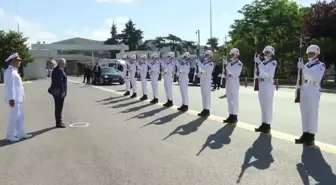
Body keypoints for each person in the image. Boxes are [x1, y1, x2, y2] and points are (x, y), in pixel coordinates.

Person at [295, 44, 325, 145]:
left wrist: (303, 68)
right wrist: (298, 89)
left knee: (312, 112)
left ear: (317, 54)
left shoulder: (320, 65)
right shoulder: (305, 65)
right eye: (309, 53)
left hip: (313, 88)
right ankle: (305, 133)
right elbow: (300, 78)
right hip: (304, 88)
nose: (310, 55)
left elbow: (316, 77)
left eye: (312, 53)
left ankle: (311, 136)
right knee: (304, 112)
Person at [3, 53, 32, 142]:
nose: (19, 62)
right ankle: (10, 135)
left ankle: (21, 133)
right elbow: (10, 86)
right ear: (13, 61)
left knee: (20, 117)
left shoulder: (14, 71)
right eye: (18, 61)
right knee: (14, 117)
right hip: (14, 100)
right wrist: (11, 99)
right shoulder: (10, 72)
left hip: (18, 99)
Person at [254, 46, 277, 134]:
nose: (266, 53)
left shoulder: (273, 62)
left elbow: (268, 73)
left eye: (267, 52)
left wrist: (259, 64)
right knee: (263, 105)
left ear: (272, 53)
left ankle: (267, 125)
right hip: (261, 84)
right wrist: (258, 64)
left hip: (268, 84)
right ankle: (263, 123)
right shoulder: (262, 63)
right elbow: (257, 73)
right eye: (265, 52)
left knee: (268, 105)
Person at [223, 48, 243, 124]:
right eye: (230, 54)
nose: (231, 55)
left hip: (234, 82)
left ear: (237, 55)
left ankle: (234, 116)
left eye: (232, 54)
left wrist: (229, 71)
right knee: (229, 99)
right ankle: (230, 115)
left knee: (234, 100)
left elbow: (236, 73)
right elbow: (225, 72)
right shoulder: (229, 64)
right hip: (228, 82)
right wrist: (225, 66)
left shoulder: (239, 63)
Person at [48, 58, 67, 128]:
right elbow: (60, 82)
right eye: (64, 63)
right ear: (60, 63)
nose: (65, 64)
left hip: (58, 91)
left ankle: (60, 121)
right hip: (58, 92)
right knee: (58, 107)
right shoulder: (58, 70)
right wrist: (62, 91)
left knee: (59, 107)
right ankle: (58, 123)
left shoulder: (58, 70)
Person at [197, 50, 214, 117]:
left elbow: (207, 71)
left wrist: (200, 67)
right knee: (203, 95)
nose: (206, 56)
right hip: (203, 80)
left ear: (210, 56)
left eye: (207, 55)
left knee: (207, 96)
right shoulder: (204, 63)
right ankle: (204, 109)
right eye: (205, 55)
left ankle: (207, 110)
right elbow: (201, 71)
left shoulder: (210, 63)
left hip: (207, 81)